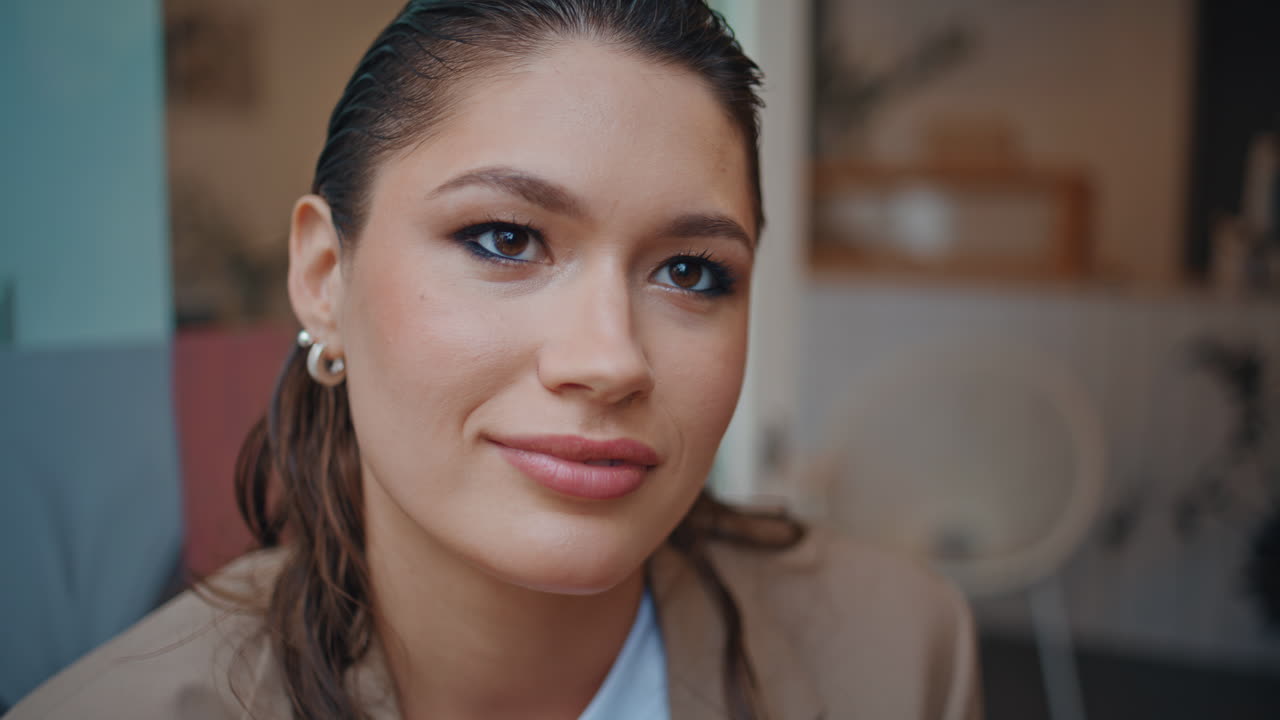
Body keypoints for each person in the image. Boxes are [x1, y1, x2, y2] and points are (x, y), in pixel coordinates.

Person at [6, 1, 981, 718]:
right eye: (505, 239)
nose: (608, 359)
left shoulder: (898, 657)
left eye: (690, 270)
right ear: (322, 277)